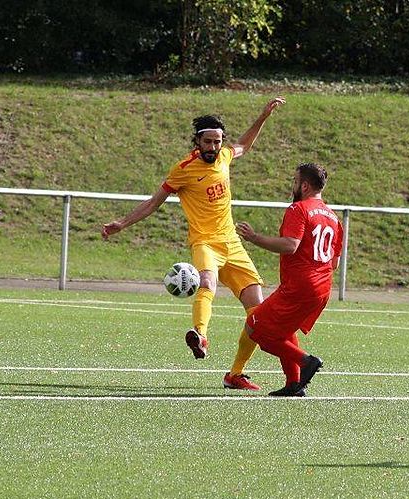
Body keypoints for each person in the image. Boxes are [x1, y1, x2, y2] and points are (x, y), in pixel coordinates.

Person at [102, 97, 286, 378]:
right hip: (205, 242)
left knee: (257, 312)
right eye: (208, 142)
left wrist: (263, 116)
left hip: (232, 243)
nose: (213, 147)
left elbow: (244, 145)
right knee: (207, 282)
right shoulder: (184, 169)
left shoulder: (224, 157)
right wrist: (122, 223)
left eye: (217, 142)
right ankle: (200, 335)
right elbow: (153, 202)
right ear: (197, 141)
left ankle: (235, 375)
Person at [228, 162, 342, 396]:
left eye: (295, 181)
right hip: (322, 289)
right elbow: (335, 263)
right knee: (284, 330)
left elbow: (290, 245)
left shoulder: (298, 209)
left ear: (305, 186)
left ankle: (306, 361)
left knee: (255, 329)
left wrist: (254, 238)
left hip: (300, 287)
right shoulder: (333, 218)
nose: (293, 185)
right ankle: (294, 384)